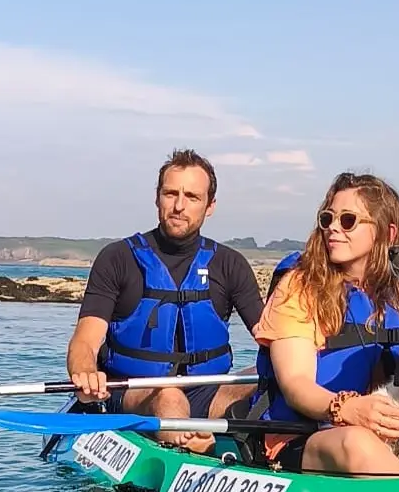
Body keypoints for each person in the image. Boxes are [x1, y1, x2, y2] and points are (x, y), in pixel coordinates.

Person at [65, 148, 265, 453]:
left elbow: (269, 339)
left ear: (210, 206)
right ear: (157, 197)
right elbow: (85, 340)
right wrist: (86, 372)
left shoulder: (230, 264)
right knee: (169, 395)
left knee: (264, 375)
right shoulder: (117, 258)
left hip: (207, 392)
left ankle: (239, 442)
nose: (179, 206)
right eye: (171, 193)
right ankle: (187, 442)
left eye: (192, 197)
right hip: (137, 392)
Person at [245, 171, 399, 476]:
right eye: (327, 219)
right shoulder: (299, 288)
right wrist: (346, 409)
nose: (333, 228)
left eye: (348, 220)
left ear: (387, 233)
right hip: (307, 436)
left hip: (396, 438)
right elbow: (296, 385)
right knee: (357, 442)